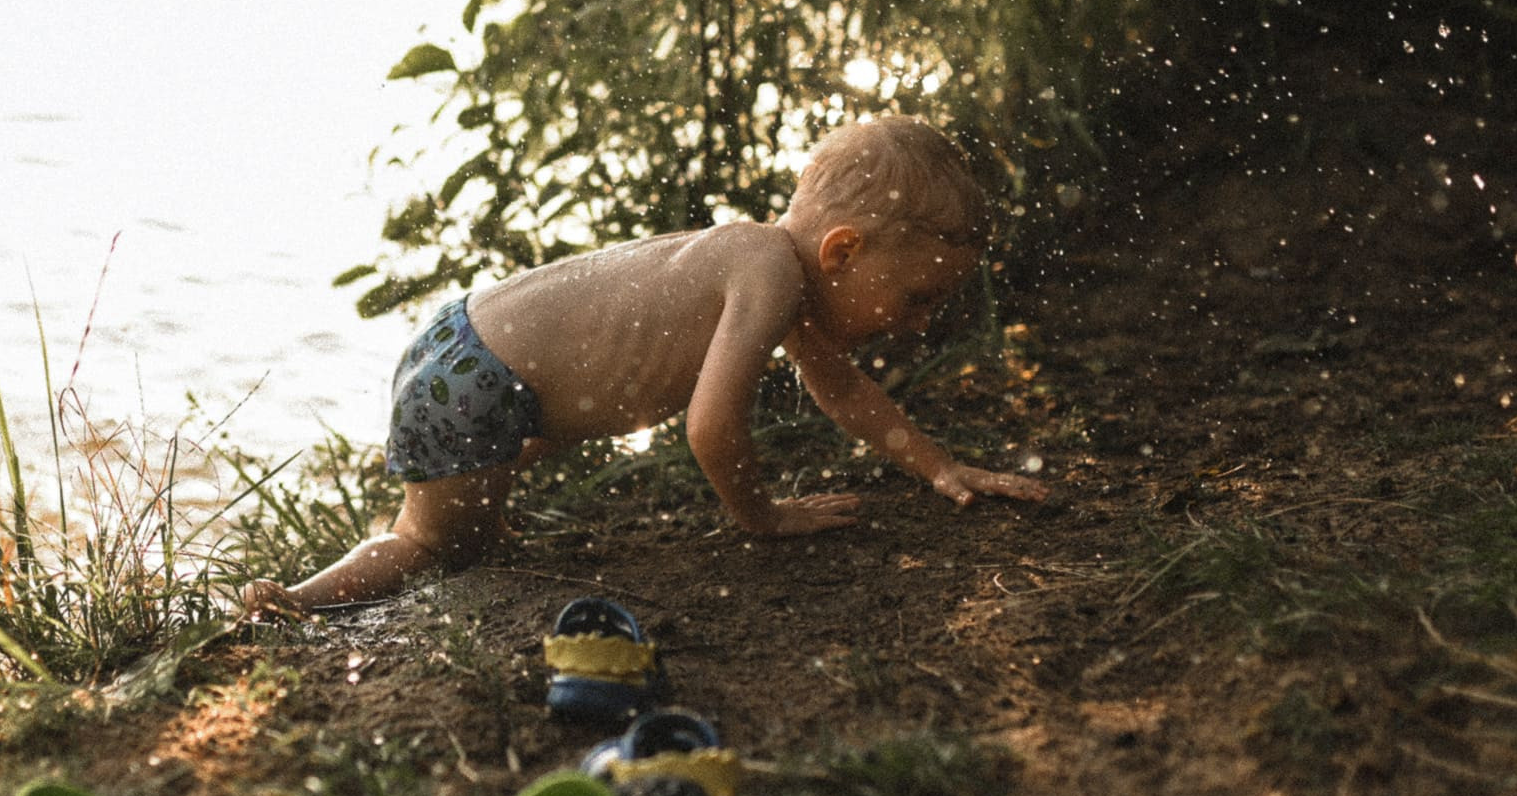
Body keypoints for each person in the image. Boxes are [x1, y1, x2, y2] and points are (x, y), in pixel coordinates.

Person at [244, 115, 1047, 614]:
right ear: (844, 249)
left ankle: (397, 550)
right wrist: (761, 514)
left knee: (474, 542)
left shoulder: (769, 267)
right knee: (430, 547)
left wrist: (940, 468)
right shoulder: (767, 272)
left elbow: (840, 390)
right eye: (914, 298)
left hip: (470, 348)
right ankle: (289, 606)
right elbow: (711, 426)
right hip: (476, 378)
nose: (919, 323)